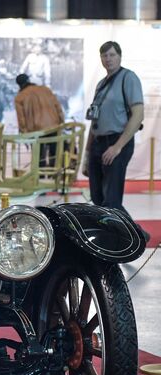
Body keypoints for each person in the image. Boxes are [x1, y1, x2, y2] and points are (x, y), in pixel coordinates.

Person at [81, 41, 147, 239]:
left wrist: (117, 147)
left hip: (117, 141)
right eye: (104, 56)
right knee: (98, 198)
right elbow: (94, 121)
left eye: (111, 55)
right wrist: (86, 154)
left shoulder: (128, 78)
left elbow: (138, 115)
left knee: (111, 199)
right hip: (98, 143)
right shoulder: (101, 84)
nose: (108, 59)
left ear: (119, 56)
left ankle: (127, 239)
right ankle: (134, 234)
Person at [14, 73, 64, 167]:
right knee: (54, 154)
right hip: (53, 127)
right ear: (29, 80)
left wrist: (25, 134)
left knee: (38, 157)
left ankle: (40, 178)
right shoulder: (46, 90)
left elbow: (21, 120)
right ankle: (54, 177)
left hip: (36, 132)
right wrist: (61, 123)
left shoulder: (19, 98)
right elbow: (58, 108)